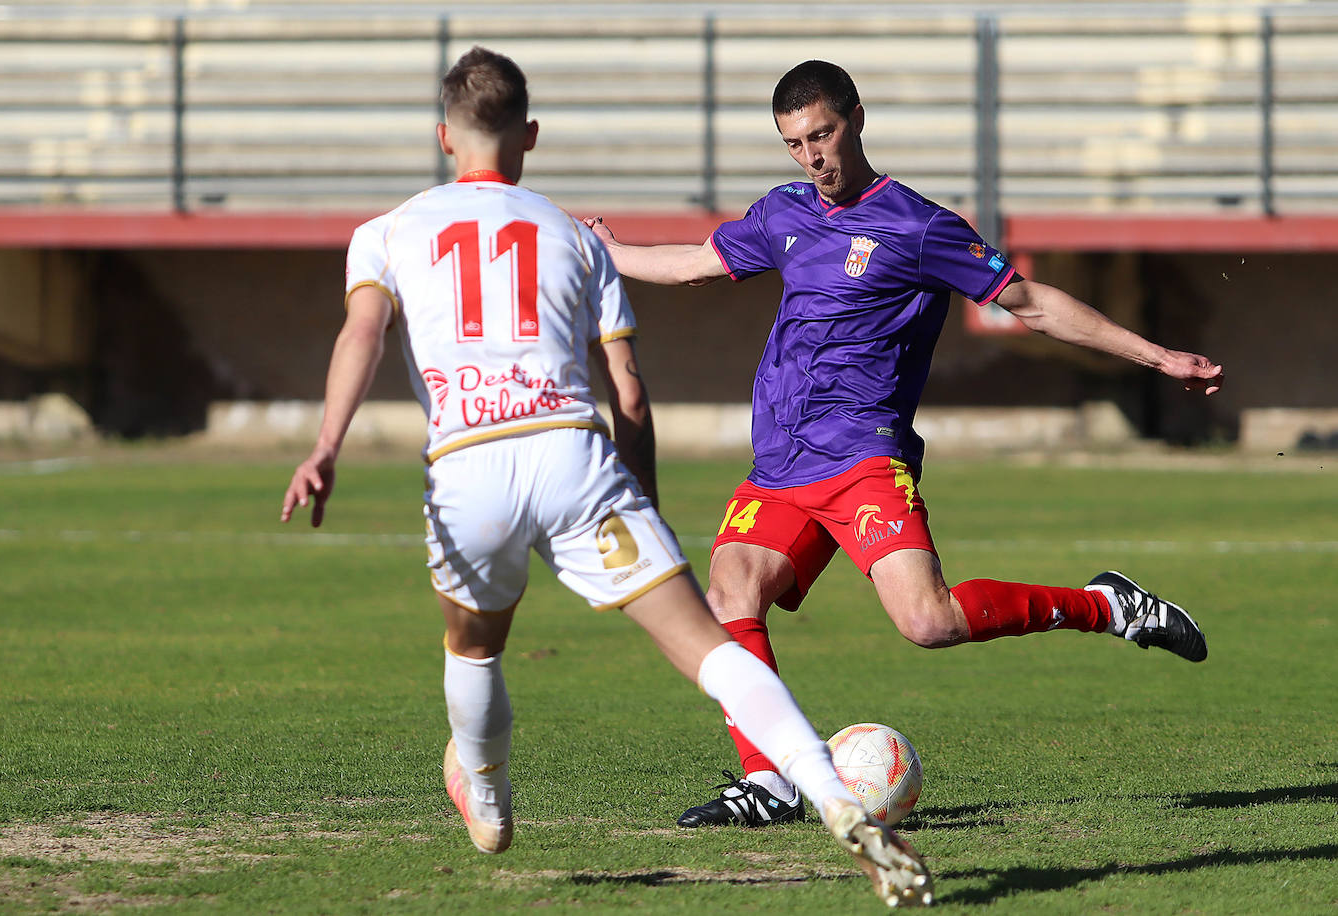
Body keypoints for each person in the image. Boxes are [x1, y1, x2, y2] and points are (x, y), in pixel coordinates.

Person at [280, 47, 933, 907]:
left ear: (445, 138)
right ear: (532, 136)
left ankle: (486, 790)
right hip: (571, 455)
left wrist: (327, 444)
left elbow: (361, 335)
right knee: (707, 648)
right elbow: (627, 390)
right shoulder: (566, 235)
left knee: (474, 647)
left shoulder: (388, 231)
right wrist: (646, 508)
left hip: (466, 461)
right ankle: (838, 801)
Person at [587, 59, 1225, 830]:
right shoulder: (784, 213)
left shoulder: (919, 227)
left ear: (855, 117)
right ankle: (771, 782)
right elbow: (693, 264)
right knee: (730, 596)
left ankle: (1104, 605)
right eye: (794, 143)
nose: (812, 157)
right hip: (781, 462)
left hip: (862, 456)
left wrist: (1159, 358)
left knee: (927, 623)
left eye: (822, 134)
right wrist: (608, 254)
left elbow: (1032, 303)